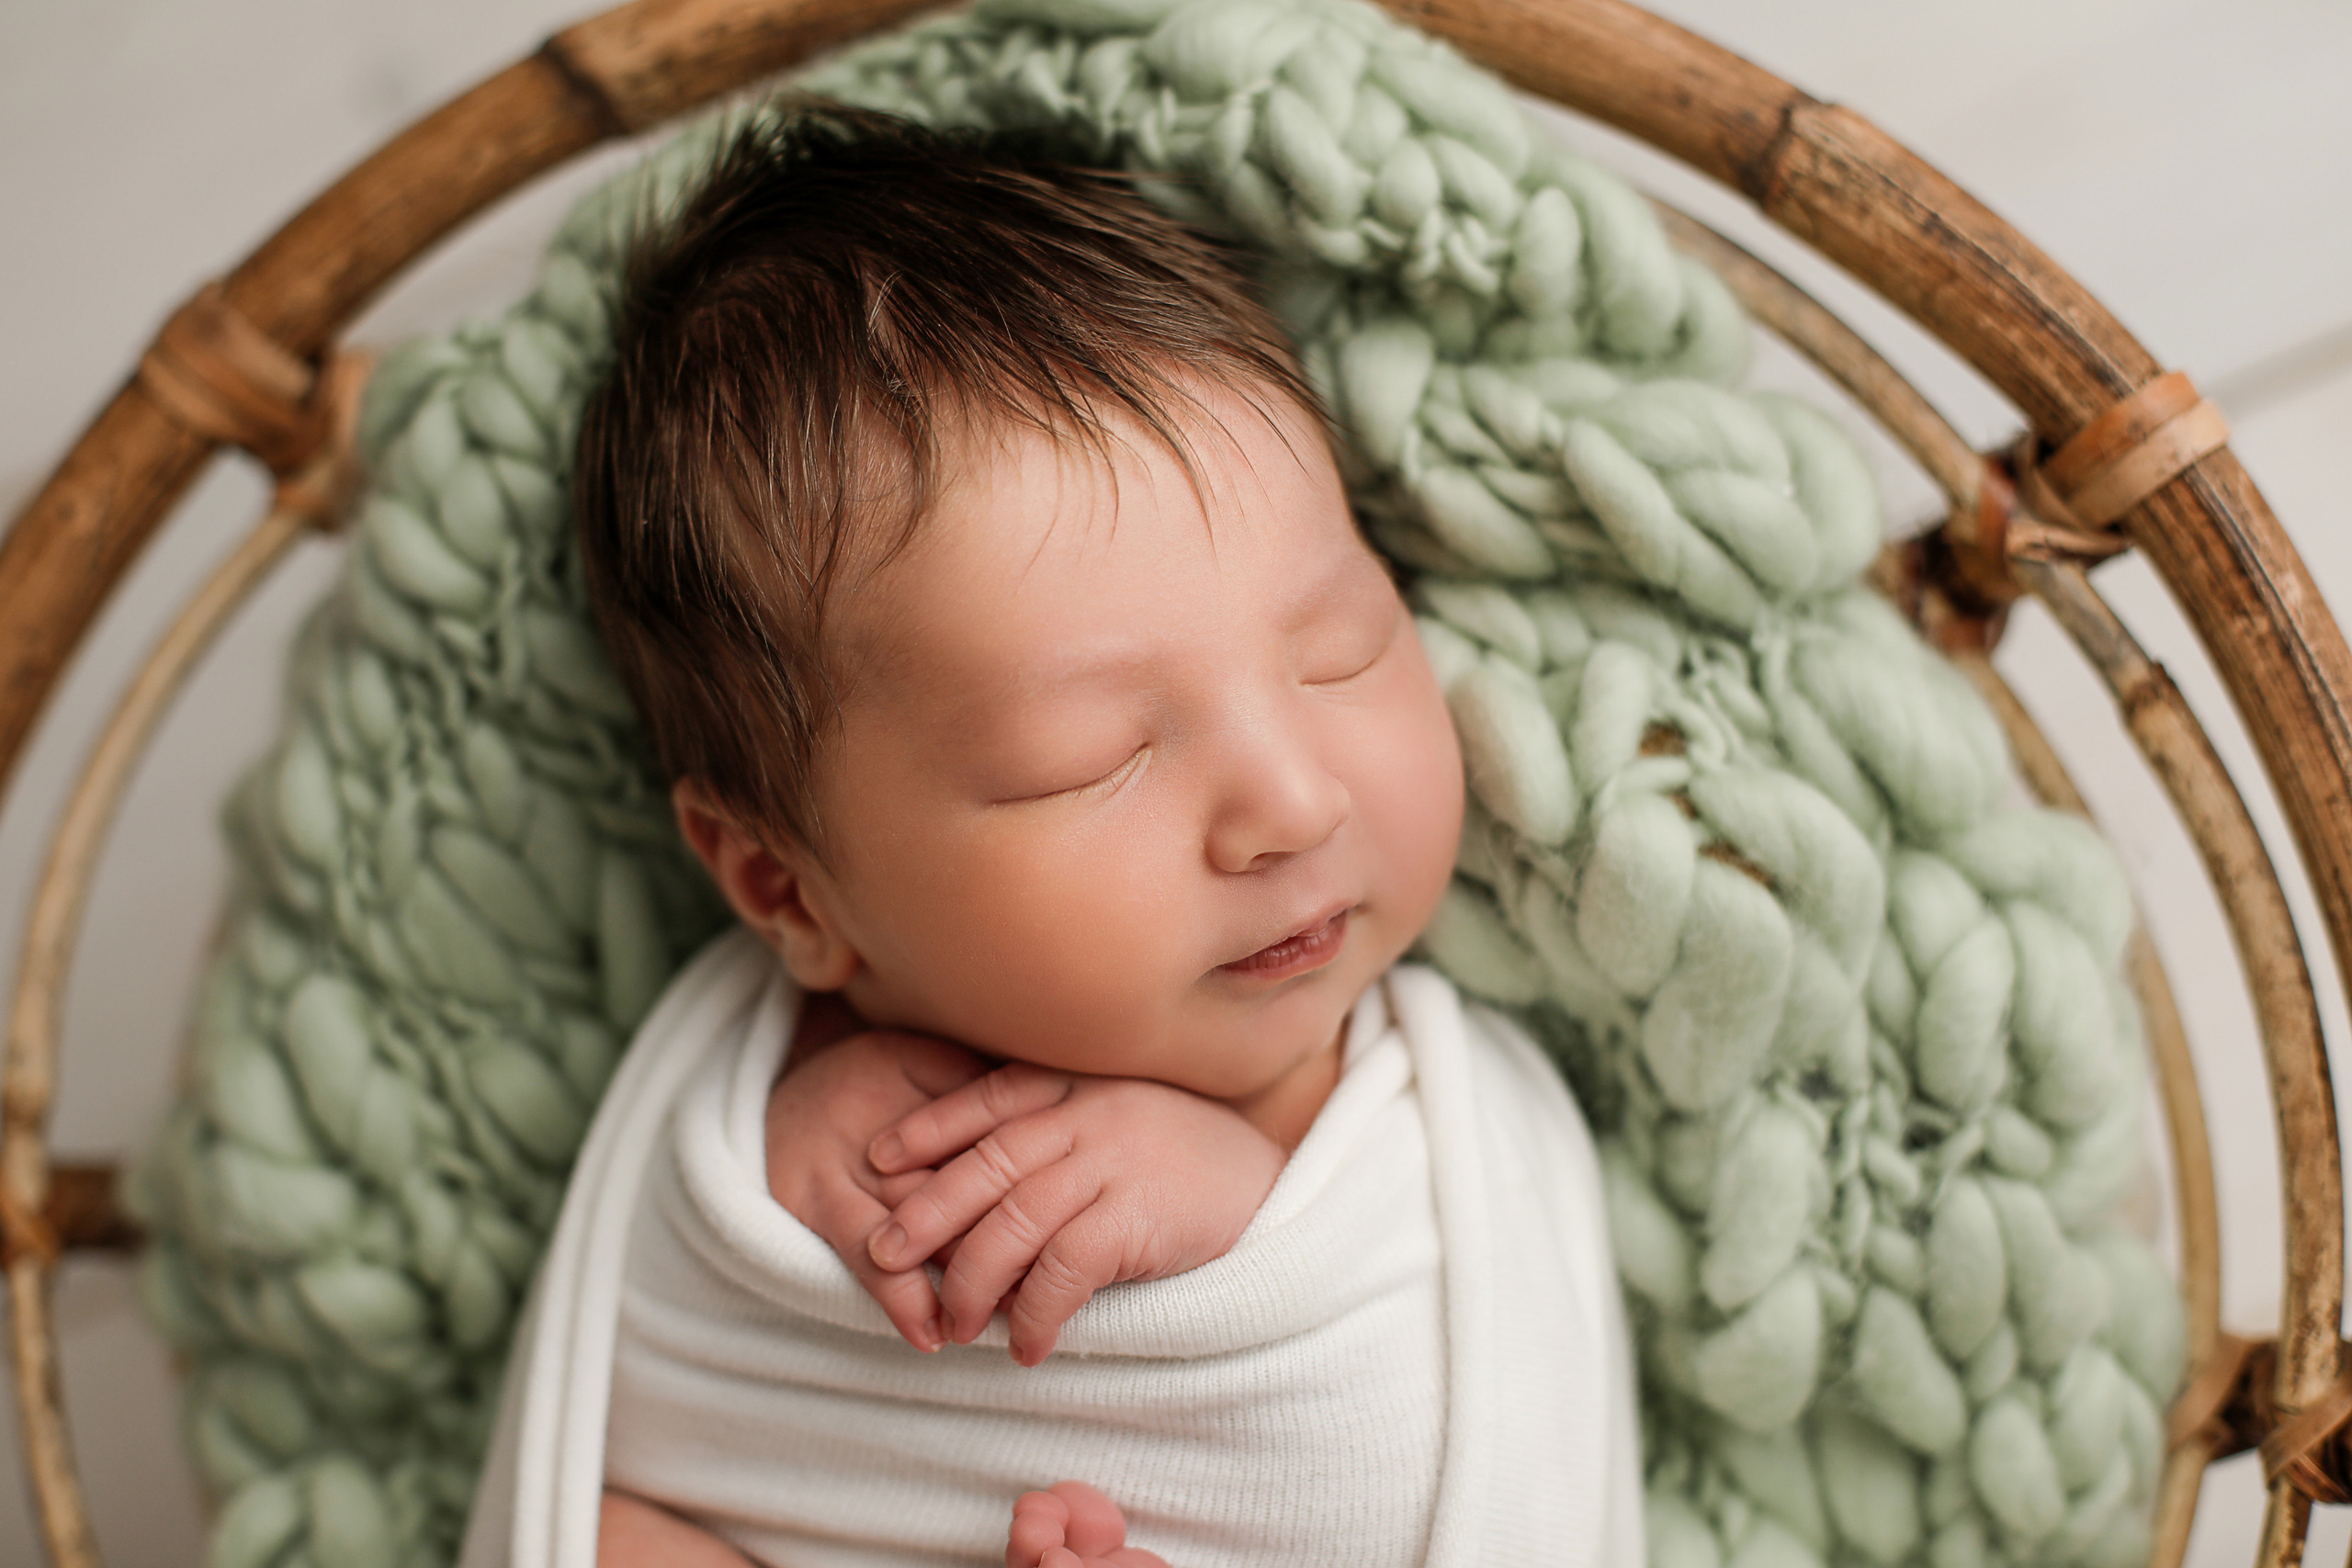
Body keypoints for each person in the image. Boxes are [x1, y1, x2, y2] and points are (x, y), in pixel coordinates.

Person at [458, 104, 1640, 1568]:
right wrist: (809, 1152)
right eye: (1090, 759)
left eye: (1340, 650)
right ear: (782, 882)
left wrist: (1234, 1187)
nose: (1293, 802)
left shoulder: (1442, 1151)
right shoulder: (742, 1150)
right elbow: (597, 1494)